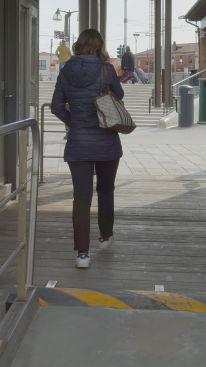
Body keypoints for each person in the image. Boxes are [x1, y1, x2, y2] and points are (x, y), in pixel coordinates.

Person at [51, 29, 123, 269]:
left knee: (81, 197)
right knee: (105, 190)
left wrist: (74, 121)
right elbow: (119, 95)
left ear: (78, 45)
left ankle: (82, 253)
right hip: (106, 141)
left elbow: (56, 106)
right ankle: (105, 236)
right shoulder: (106, 69)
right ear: (99, 46)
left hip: (78, 141)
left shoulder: (66, 70)